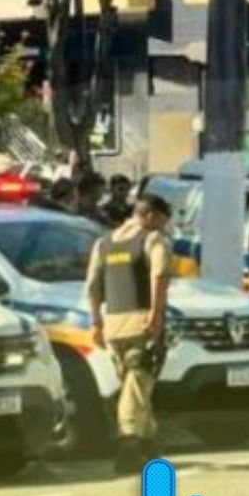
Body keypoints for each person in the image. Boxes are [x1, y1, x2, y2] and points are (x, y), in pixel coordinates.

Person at [85, 194, 173, 476]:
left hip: (113, 325)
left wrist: (96, 321)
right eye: (161, 220)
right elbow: (159, 276)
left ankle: (149, 444)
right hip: (141, 322)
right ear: (149, 215)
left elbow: (92, 286)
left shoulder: (105, 243)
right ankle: (129, 445)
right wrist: (156, 314)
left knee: (134, 383)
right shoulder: (152, 240)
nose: (163, 227)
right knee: (138, 381)